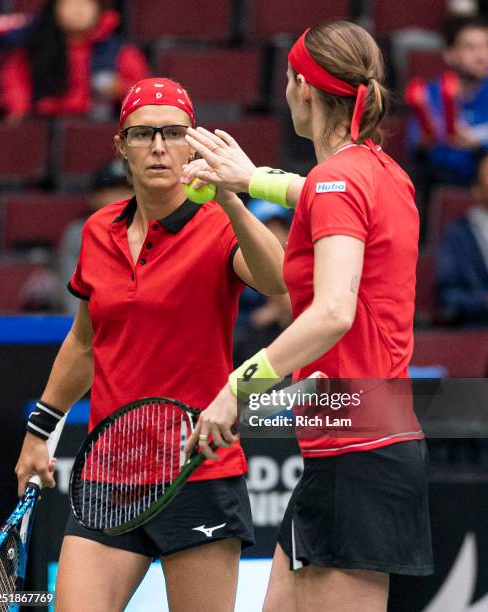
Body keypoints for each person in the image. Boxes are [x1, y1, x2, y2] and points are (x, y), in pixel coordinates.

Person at [183, 21, 434, 612]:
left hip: (358, 456)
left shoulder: (339, 181)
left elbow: (331, 314)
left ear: (301, 87)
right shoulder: (382, 173)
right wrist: (250, 181)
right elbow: (321, 191)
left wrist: (236, 390)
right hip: (352, 439)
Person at [14, 77, 286, 612]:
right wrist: (38, 431)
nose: (159, 147)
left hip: (198, 472)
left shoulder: (217, 226)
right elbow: (84, 343)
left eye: (173, 133)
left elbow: (278, 280)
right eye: (143, 134)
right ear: (121, 145)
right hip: (110, 474)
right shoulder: (98, 232)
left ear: (193, 144)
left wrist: (231, 199)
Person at [0, 0, 149, 121]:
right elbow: (14, 86)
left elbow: (146, 95)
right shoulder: (34, 48)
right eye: (69, 2)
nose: (78, 8)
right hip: (43, 125)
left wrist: (120, 88)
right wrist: (18, 114)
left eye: (86, 2)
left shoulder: (118, 51)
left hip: (98, 129)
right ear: (54, 9)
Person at [407, 15, 488, 188]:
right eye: (470, 48)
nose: (482, 55)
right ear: (450, 54)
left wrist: (476, 140)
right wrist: (431, 137)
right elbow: (414, 141)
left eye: (486, 46)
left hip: (480, 180)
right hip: (437, 178)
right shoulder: (429, 93)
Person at [58, 159, 133, 314]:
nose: (120, 197)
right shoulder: (78, 234)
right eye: (111, 189)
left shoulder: (159, 229)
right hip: (93, 328)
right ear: (94, 197)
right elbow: (73, 303)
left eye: (128, 188)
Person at [234, 199, 293, 365]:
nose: (275, 234)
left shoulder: (304, 262)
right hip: (251, 352)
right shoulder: (238, 267)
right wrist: (256, 319)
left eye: (278, 226)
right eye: (266, 227)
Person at [435, 154, 488, 325]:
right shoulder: (459, 235)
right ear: (477, 189)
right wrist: (482, 301)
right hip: (475, 330)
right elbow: (447, 296)